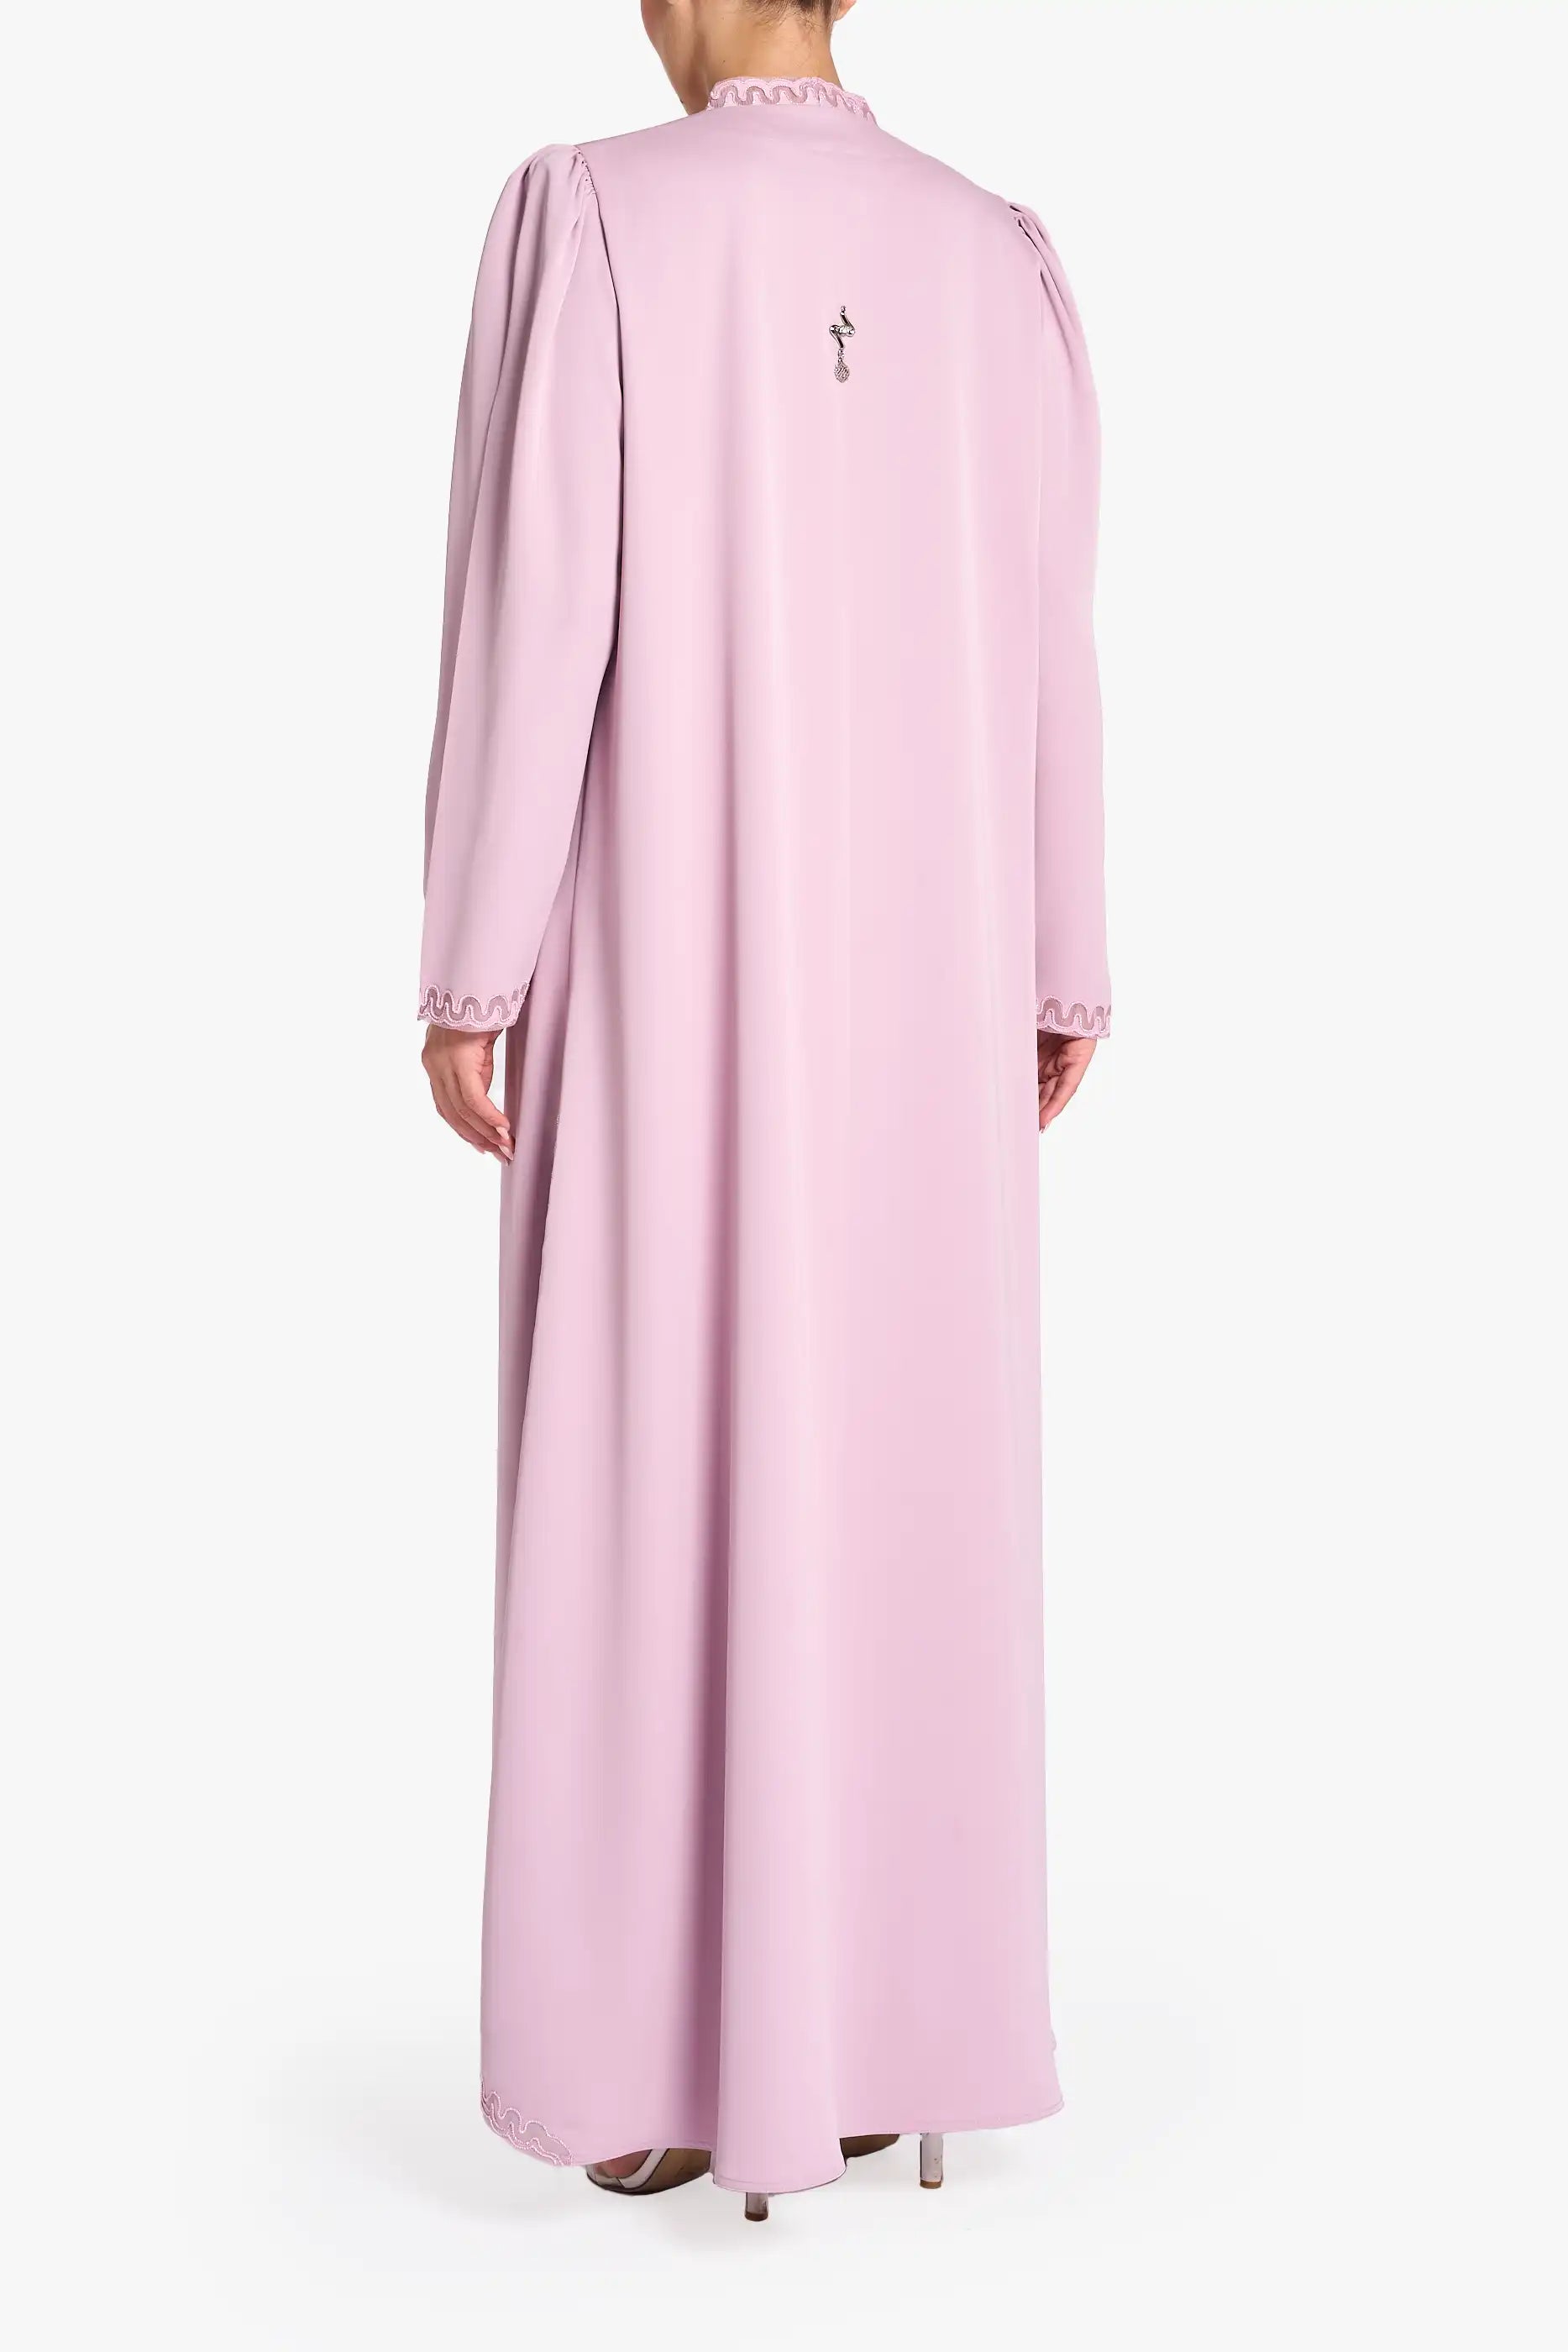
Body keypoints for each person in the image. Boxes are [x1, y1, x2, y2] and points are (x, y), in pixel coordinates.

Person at [419, 0, 1109, 2222]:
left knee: (653, 1463)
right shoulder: (994, 255)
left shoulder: (598, 219)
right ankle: (889, 2038)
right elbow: (1050, 630)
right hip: (931, 979)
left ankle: (657, 2058)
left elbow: (535, 616)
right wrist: (1059, 951)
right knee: (903, 1473)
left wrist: (473, 960)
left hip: (674, 955)